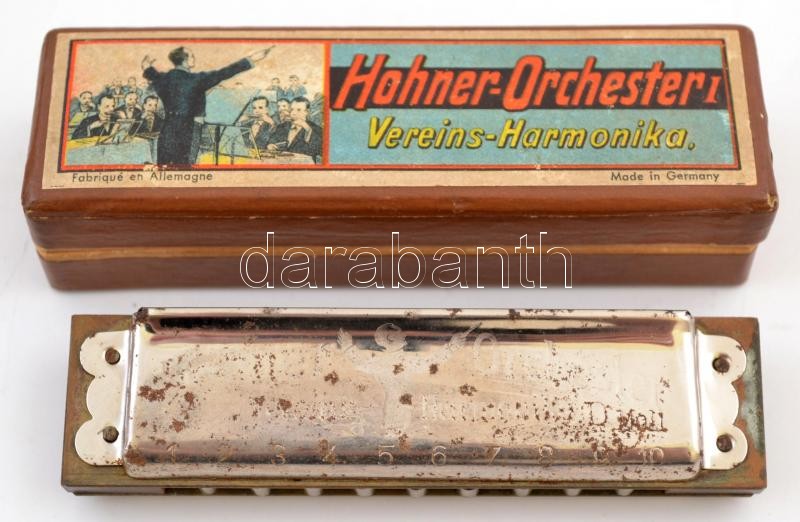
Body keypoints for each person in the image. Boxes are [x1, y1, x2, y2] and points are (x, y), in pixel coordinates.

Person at [141, 45, 273, 166]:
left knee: (164, 168)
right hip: (189, 129)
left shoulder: (163, 79)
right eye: (191, 56)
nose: (194, 58)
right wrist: (250, 59)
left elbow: (148, 70)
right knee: (184, 167)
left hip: (167, 129)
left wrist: (146, 66)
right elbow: (224, 73)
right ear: (185, 60)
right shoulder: (196, 80)